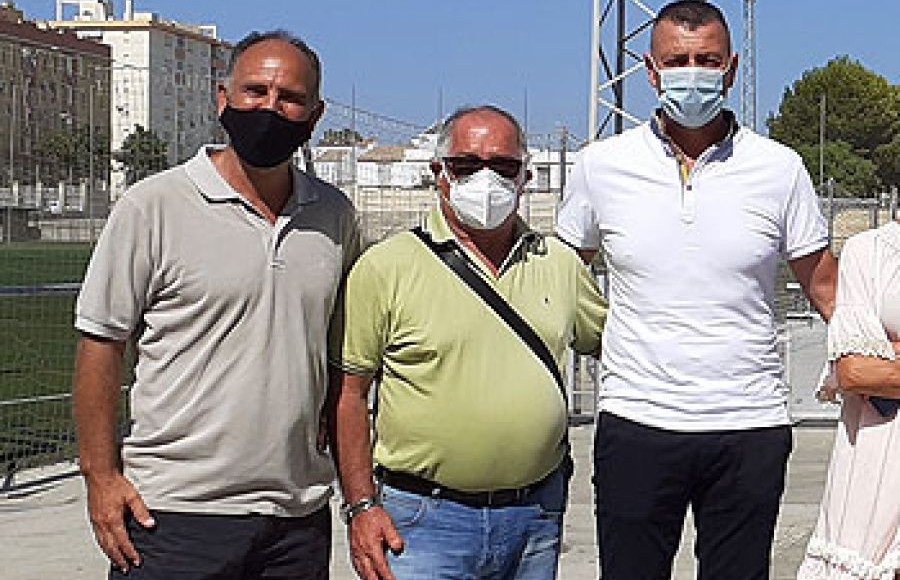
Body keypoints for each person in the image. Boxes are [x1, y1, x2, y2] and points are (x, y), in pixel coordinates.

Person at [555, 1, 838, 578]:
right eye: (677, 61)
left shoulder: (780, 169)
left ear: (731, 68)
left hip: (749, 424)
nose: (693, 73)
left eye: (706, 60)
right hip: (636, 421)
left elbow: (826, 287)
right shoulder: (600, 166)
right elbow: (558, 278)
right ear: (650, 70)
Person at [72, 30, 359, 579]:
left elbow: (337, 350)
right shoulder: (152, 206)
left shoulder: (334, 216)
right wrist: (100, 476)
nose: (270, 108)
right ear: (222, 98)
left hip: (296, 518)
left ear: (315, 115)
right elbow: (101, 343)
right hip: (174, 515)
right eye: (255, 91)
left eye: (290, 98)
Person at [328, 105, 607, 580]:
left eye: (503, 166)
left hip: (534, 518)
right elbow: (347, 395)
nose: (487, 179)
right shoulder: (387, 267)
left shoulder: (559, 264)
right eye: (467, 165)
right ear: (440, 173)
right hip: (421, 521)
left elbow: (620, 344)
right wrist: (360, 508)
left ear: (526, 177)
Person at [797, 219, 900, 580]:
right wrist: (871, 364)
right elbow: (856, 371)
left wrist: (888, 351)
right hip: (881, 456)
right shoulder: (869, 252)